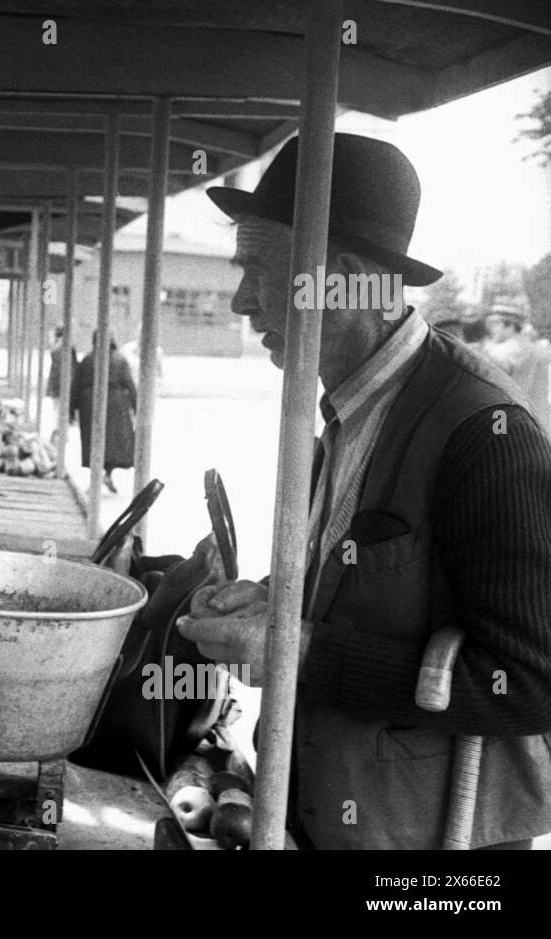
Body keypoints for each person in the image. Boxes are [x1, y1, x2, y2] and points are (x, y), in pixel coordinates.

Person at [179, 133, 551, 849]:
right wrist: (272, 605)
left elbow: (532, 680)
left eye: (261, 269)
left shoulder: (484, 432)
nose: (241, 301)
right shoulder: (347, 406)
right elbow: (365, 595)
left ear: (344, 279)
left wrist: (300, 650)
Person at [71, 331, 137, 494]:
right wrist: (137, 407)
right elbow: (130, 384)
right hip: (116, 406)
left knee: (93, 440)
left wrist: (71, 409)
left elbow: (76, 385)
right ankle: (107, 474)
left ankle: (96, 478)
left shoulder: (87, 360)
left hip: (90, 404)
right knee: (113, 443)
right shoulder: (120, 360)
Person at [480, 302, 550, 432]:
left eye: (495, 323)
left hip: (512, 418)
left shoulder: (510, 351)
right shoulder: (536, 349)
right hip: (537, 420)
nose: (490, 329)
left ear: (510, 326)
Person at [44, 325, 76, 446]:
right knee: (61, 411)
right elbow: (68, 369)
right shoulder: (65, 349)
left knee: (58, 410)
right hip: (63, 384)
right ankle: (60, 434)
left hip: (57, 384)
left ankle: (60, 433)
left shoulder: (57, 348)